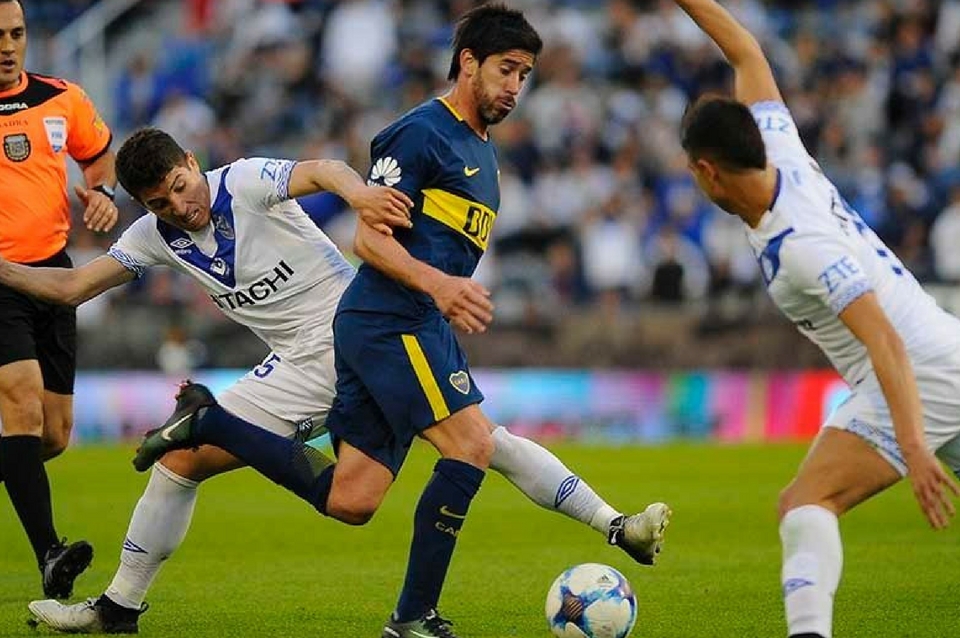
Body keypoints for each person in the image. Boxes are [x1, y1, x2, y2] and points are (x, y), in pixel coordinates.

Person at [19, 126, 668, 635]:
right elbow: (73, 287)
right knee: (182, 464)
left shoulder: (243, 180)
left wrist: (358, 194)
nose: (180, 206)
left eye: (181, 186)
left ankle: (611, 524)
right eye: (160, 202)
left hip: (358, 335)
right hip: (295, 367)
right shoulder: (153, 236)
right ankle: (120, 607)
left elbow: (322, 168)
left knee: (474, 442)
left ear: (192, 162)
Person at [672, 1, 960, 637]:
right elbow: (745, 50)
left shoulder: (799, 246)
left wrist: (913, 446)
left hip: (917, 370)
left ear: (708, 171)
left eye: (692, 173)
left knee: (806, 501)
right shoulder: (778, 146)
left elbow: (883, 338)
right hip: (943, 349)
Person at [0, 0, 119, 599]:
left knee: (52, 435)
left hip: (54, 277)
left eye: (16, 33)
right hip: (0, 279)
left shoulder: (62, 98)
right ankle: (50, 553)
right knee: (20, 405)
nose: (6, 46)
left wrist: (103, 193)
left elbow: (99, 156)